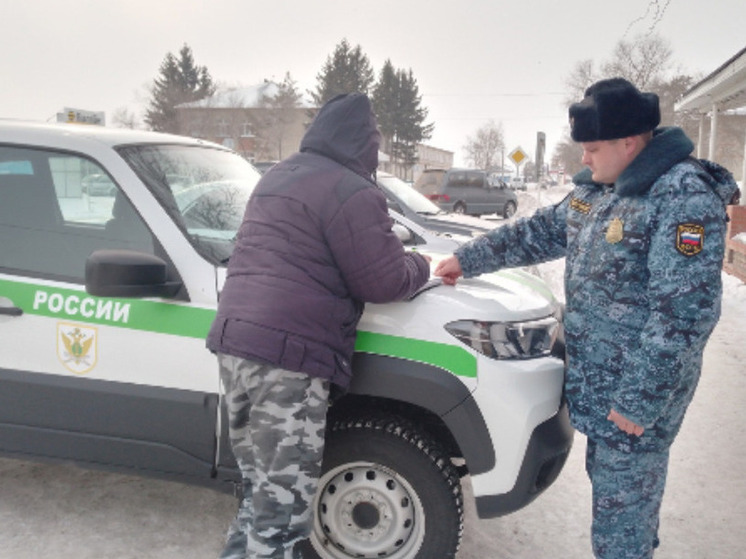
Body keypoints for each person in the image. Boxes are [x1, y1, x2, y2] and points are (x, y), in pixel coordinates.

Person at [434, 78, 738, 559]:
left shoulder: (681, 198)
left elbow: (685, 314)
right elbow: (538, 232)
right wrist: (468, 259)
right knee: (618, 508)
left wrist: (639, 401)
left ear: (629, 142)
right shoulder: (598, 191)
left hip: (637, 399)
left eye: (592, 148)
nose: (583, 159)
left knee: (622, 529)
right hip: (604, 390)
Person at [206, 93, 430, 559]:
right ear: (365, 142)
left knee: (259, 496)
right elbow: (384, 278)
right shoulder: (352, 188)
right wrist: (422, 266)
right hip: (288, 360)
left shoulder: (278, 176)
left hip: (235, 347)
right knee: (283, 513)